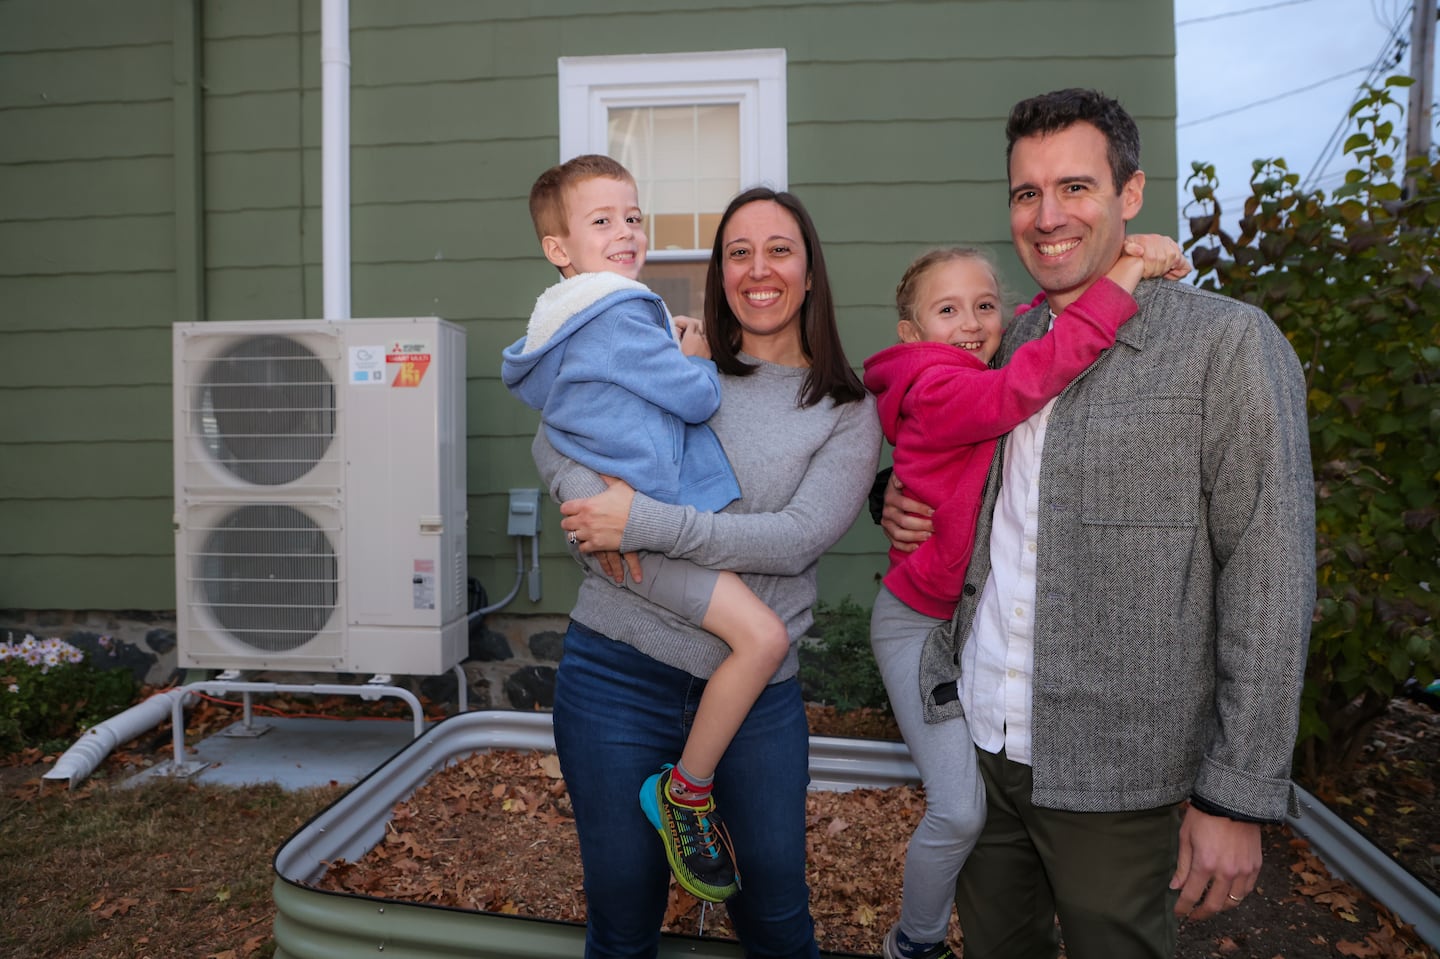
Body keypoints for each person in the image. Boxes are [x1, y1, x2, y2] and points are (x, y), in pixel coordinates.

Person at [881, 88, 1315, 959]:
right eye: (1025, 193)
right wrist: (890, 497)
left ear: (1130, 194)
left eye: (1075, 187)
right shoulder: (999, 341)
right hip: (980, 739)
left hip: (1122, 768)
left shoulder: (1226, 345)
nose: (1047, 217)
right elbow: (936, 444)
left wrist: (1235, 793)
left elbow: (1271, 572)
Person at [533, 186, 882, 958]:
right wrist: (583, 496)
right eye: (738, 252)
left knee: (776, 917)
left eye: (779, 250)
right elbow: (561, 428)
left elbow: (793, 540)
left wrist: (643, 523)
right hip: (615, 674)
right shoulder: (676, 361)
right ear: (720, 272)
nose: (759, 270)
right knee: (623, 920)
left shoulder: (845, 410)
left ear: (811, 271)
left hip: (756, 699)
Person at [863, 235, 1188, 959]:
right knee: (957, 811)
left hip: (962, 617)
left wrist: (1089, 277)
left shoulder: (980, 356)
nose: (973, 321)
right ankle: (912, 942)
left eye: (985, 304)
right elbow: (1028, 379)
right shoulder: (940, 384)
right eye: (948, 309)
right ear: (911, 335)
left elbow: (1046, 323)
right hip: (919, 621)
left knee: (975, 819)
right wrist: (1127, 274)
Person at [501, 155, 796, 903]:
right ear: (558, 246)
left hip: (639, 530)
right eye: (602, 221)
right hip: (641, 552)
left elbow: (565, 420)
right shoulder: (621, 311)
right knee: (761, 637)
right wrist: (691, 358)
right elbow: (690, 401)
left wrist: (618, 510)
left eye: (633, 217)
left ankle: (685, 789)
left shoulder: (567, 319)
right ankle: (685, 793)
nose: (627, 232)